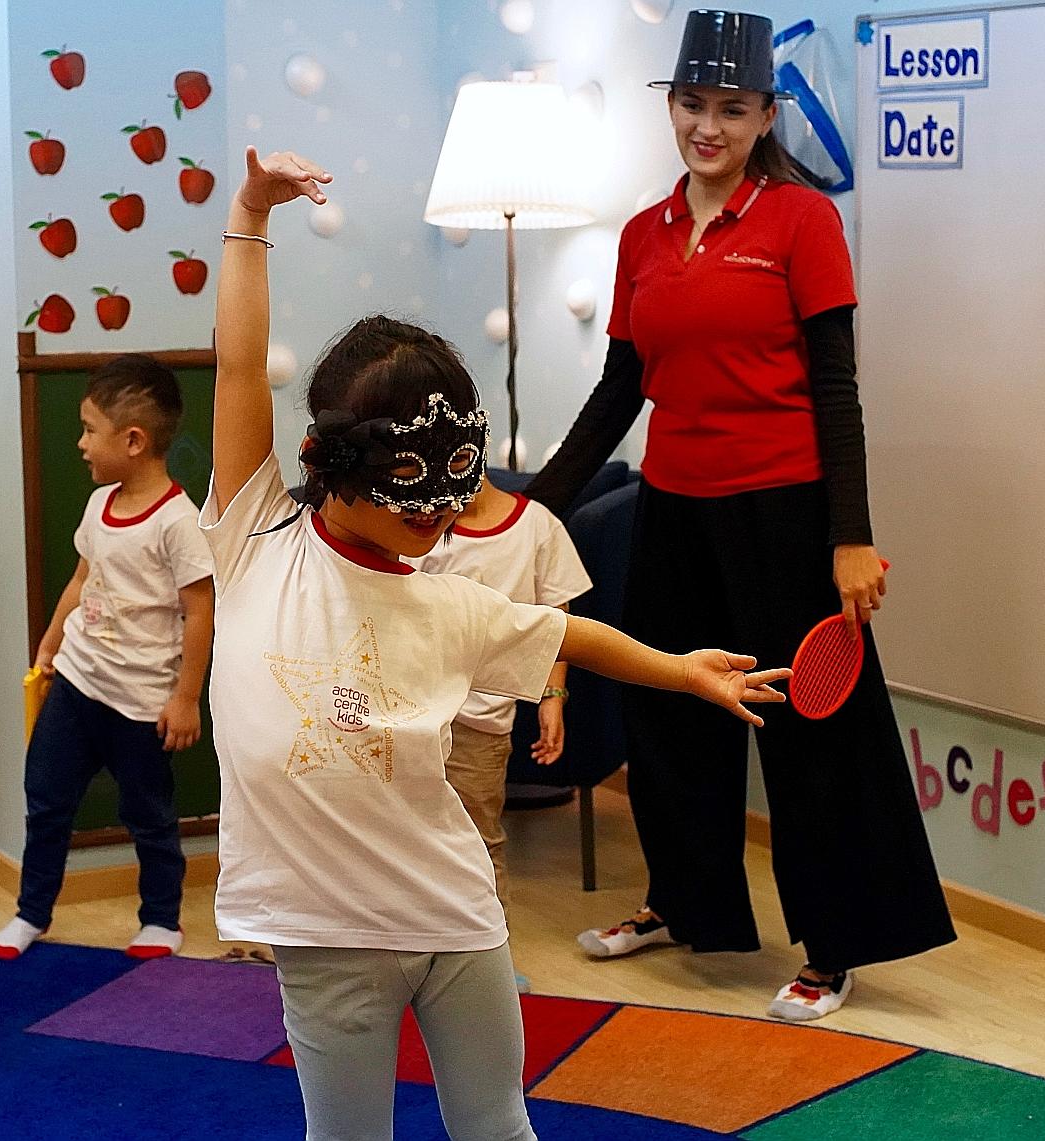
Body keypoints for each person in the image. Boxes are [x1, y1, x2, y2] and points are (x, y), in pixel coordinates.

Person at [206, 145, 789, 1141]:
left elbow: (570, 632)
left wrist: (682, 669)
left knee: (496, 1124)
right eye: (414, 505)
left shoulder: (454, 600)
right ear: (327, 468)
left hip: (455, 912)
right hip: (330, 933)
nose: (440, 523)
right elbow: (235, 365)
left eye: (453, 500)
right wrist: (251, 221)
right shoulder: (255, 534)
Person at [529, 10, 956, 1021]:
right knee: (670, 715)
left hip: (788, 516)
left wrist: (850, 534)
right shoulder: (643, 234)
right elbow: (619, 390)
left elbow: (838, 387)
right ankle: (685, 903)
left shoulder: (804, 223)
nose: (706, 126)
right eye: (691, 104)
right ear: (669, 107)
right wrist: (533, 510)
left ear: (767, 114)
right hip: (675, 508)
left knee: (813, 737)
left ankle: (836, 945)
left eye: (730, 108)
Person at [0, 355, 214, 961]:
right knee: (47, 796)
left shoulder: (177, 523)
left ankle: (161, 920)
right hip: (78, 684)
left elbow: (201, 611)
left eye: (90, 430)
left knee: (149, 813)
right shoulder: (98, 506)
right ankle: (31, 913)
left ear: (133, 440)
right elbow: (83, 577)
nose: (81, 443)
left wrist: (186, 697)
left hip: (141, 702)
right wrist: (54, 639)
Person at [405, 472, 591, 992]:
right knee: (406, 839)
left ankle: (487, 962)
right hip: (412, 714)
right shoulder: (419, 525)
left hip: (481, 723)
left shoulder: (537, 527)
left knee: (479, 840)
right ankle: (410, 955)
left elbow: (558, 622)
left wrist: (553, 697)